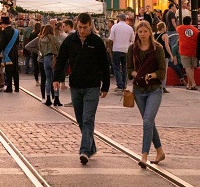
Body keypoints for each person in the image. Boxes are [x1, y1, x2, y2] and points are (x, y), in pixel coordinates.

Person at [53, 12, 110, 166]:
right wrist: (56, 78)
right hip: (76, 85)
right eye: (80, 27)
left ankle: (84, 150)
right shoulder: (70, 40)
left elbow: (105, 64)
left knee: (88, 119)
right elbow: (61, 59)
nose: (82, 31)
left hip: (92, 86)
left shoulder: (97, 42)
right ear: (76, 25)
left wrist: (105, 86)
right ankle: (91, 147)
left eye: (85, 28)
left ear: (90, 25)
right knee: (80, 119)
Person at [126, 20, 166, 169]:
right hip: (139, 90)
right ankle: (160, 151)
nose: (142, 35)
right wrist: (136, 74)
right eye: (140, 32)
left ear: (150, 32)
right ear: (137, 33)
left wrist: (151, 75)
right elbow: (129, 69)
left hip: (154, 89)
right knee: (149, 122)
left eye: (145, 31)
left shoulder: (158, 49)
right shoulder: (133, 49)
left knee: (147, 121)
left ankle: (144, 155)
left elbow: (162, 71)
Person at [109, 13, 134, 92]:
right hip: (126, 50)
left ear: (119, 19)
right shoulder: (130, 28)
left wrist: (110, 49)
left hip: (116, 49)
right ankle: (124, 85)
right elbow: (132, 40)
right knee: (124, 68)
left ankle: (119, 85)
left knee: (116, 67)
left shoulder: (115, 27)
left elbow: (111, 39)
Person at [37, 24, 62, 106]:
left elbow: (40, 50)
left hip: (45, 59)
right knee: (55, 79)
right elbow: (59, 47)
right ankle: (56, 98)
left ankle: (48, 98)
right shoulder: (54, 38)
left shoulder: (41, 39)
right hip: (54, 58)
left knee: (48, 79)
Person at [0, 16, 20, 93]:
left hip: (8, 52)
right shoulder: (16, 31)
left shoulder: (4, 31)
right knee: (15, 70)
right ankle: (17, 87)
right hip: (14, 52)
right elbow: (17, 42)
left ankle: (9, 88)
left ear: (3, 24)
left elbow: (2, 43)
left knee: (9, 70)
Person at [175, 17, 199, 90]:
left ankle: (193, 84)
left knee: (187, 67)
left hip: (184, 50)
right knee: (192, 68)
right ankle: (189, 84)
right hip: (193, 50)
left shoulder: (179, 28)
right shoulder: (195, 30)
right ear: (190, 22)